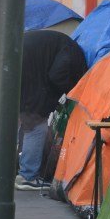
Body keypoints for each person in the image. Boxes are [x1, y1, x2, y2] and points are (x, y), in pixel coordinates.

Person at [15, 30, 87, 191]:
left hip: (16, 62)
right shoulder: (74, 54)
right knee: (36, 125)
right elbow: (57, 75)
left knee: (21, 120)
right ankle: (28, 176)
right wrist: (69, 90)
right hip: (32, 76)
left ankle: (8, 172)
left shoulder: (64, 44)